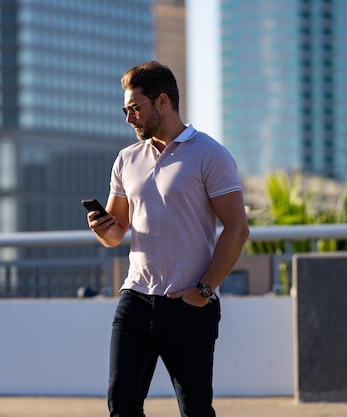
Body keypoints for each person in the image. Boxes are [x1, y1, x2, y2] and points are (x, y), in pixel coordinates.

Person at [86, 61, 249, 417]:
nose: (129, 118)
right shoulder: (126, 159)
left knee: (195, 411)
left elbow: (237, 229)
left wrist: (203, 291)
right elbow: (117, 234)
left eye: (135, 108)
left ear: (162, 102)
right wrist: (103, 229)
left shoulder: (210, 154)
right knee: (122, 406)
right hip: (136, 299)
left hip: (189, 304)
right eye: (125, 109)